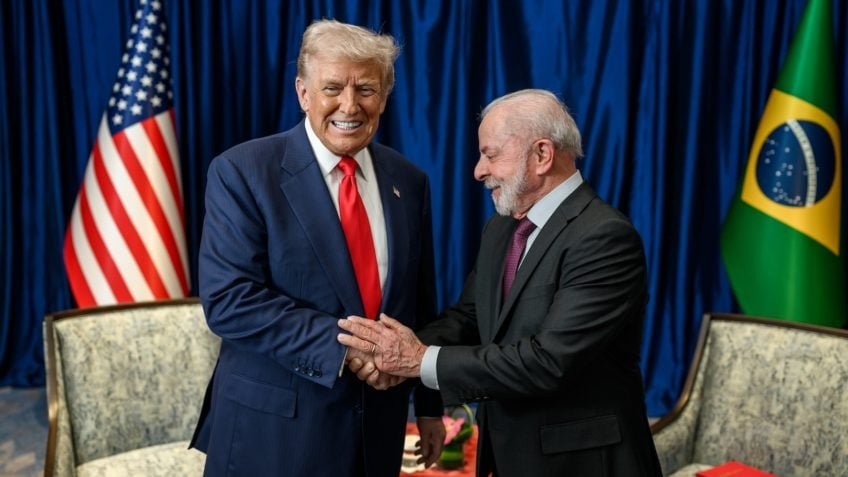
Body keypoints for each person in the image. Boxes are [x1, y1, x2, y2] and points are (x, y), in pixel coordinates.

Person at [339, 89, 662, 476]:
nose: (478, 171)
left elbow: (548, 362)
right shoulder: (502, 228)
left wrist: (418, 360)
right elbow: (469, 319)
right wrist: (389, 351)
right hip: (509, 457)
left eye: (490, 155)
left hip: (583, 465)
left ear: (541, 155)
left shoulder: (604, 237)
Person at [190, 19, 445, 476]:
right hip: (275, 436)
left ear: (384, 97)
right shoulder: (243, 171)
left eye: (366, 89)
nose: (350, 105)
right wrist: (350, 349)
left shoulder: (409, 181)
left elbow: (419, 303)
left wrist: (428, 405)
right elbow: (230, 300)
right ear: (303, 92)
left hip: (378, 431)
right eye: (332, 88)